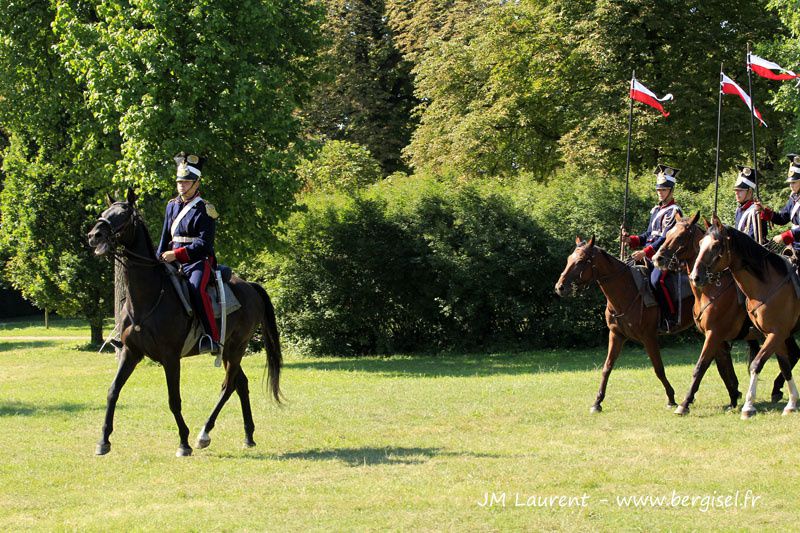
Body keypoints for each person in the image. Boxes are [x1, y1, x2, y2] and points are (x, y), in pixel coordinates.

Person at [156, 152, 221, 354]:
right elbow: (165, 236)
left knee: (195, 289)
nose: (181, 185)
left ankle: (211, 338)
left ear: (196, 183)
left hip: (198, 261)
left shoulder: (205, 209)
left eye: (186, 182)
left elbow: (204, 244)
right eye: (179, 182)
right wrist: (157, 257)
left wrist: (177, 255)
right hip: (171, 259)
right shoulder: (171, 206)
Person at [622, 164, 683, 330]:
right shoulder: (656, 209)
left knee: (657, 281)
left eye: (664, 190)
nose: (660, 192)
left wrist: (644, 252)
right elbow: (649, 235)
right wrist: (631, 240)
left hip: (665, 255)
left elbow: (665, 238)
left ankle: (669, 318)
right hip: (649, 254)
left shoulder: (674, 210)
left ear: (671, 191)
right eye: (658, 190)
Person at [757, 154, 800, 255]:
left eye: (794, 182)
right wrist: (764, 211)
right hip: (795, 246)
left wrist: (784, 236)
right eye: (790, 183)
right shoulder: (794, 198)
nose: (791, 186)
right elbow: (782, 218)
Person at [732, 165, 767, 242]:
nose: (736, 193)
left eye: (740, 190)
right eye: (736, 190)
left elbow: (752, 238)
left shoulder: (756, 211)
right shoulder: (739, 210)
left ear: (750, 191)